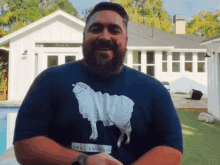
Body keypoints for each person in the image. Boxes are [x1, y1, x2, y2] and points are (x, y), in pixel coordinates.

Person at [13, 2, 184, 165]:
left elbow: (171, 148)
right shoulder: (49, 81)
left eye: (114, 30)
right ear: (84, 36)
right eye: (96, 29)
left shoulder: (154, 91)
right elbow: (25, 144)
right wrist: (82, 161)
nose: (104, 36)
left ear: (125, 40)